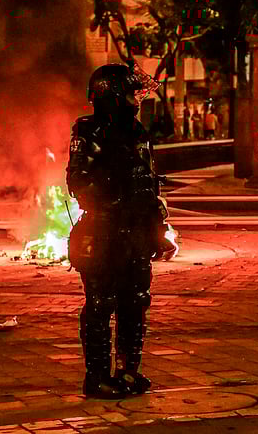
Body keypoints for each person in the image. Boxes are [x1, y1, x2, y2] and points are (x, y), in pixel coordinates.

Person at [66, 62, 177, 400]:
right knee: (100, 305)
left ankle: (129, 371)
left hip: (137, 231)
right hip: (104, 230)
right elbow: (78, 182)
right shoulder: (88, 132)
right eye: (128, 92)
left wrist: (156, 222)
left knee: (136, 302)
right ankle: (97, 376)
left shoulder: (138, 132)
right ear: (111, 95)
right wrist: (115, 194)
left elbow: (149, 181)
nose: (134, 99)